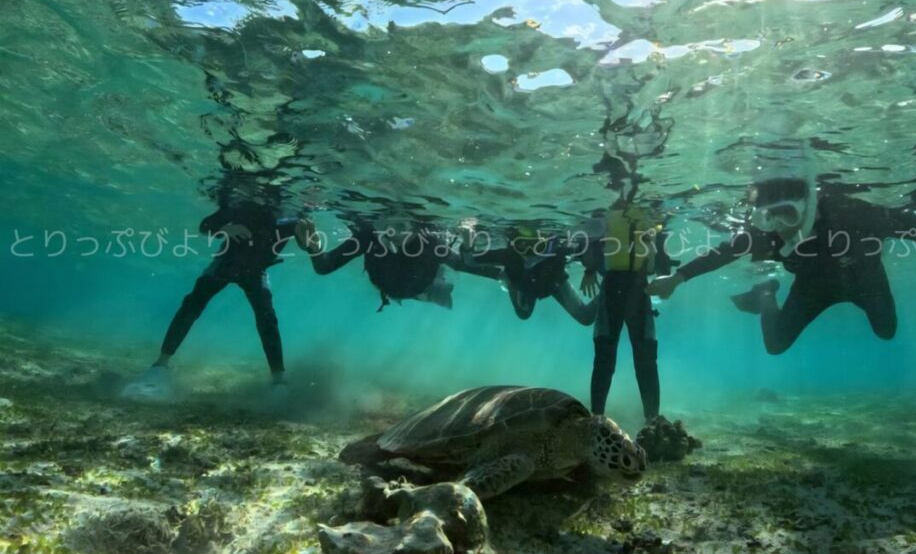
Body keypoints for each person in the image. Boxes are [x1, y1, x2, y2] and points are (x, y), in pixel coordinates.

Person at [647, 176, 916, 353]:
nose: (780, 226)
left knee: (886, 332)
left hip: (866, 279)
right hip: (813, 286)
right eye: (768, 217)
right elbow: (724, 252)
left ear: (808, 206)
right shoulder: (767, 234)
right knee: (775, 345)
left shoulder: (851, 213)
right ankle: (766, 295)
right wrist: (676, 279)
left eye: (788, 214)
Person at [122, 198, 305, 400]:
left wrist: (310, 240)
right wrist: (226, 228)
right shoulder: (239, 204)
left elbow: (311, 246)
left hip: (256, 271)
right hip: (225, 264)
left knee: (267, 318)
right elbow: (206, 226)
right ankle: (160, 366)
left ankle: (278, 380)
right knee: (192, 304)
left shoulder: (294, 216)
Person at [582, 201, 674, 423]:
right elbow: (592, 239)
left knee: (634, 357)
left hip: (626, 288)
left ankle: (644, 418)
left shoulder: (615, 213)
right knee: (625, 358)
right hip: (631, 288)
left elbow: (663, 263)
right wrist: (590, 269)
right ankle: (600, 418)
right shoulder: (645, 212)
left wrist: (590, 269)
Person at [297, 217, 501, 310]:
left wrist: (468, 246)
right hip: (387, 287)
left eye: (400, 226)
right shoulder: (368, 237)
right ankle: (427, 295)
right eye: (383, 224)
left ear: (414, 227)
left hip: (420, 286)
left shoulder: (430, 243)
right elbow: (325, 267)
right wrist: (314, 249)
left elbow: (464, 264)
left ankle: (430, 293)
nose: (390, 232)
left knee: (436, 289)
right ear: (375, 223)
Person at [464, 226, 597, 325]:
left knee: (585, 318)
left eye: (537, 247)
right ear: (513, 244)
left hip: (554, 282)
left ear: (546, 244)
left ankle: (612, 288)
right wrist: (467, 243)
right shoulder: (509, 256)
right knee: (523, 313)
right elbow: (470, 260)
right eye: (521, 246)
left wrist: (590, 270)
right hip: (529, 284)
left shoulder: (557, 250)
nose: (529, 254)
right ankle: (506, 279)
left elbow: (588, 249)